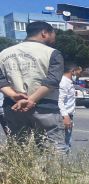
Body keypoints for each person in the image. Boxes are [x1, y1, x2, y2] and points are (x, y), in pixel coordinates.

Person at [0, 21, 65, 151]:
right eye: (53, 34)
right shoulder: (52, 53)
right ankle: (51, 172)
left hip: (13, 107)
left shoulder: (3, 53)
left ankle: (20, 172)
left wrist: (14, 96)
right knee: (53, 149)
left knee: (19, 147)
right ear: (44, 33)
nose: (54, 38)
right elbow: (52, 81)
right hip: (44, 107)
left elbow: (1, 80)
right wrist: (31, 100)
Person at [58, 62, 81, 150]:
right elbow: (60, 101)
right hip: (64, 117)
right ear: (73, 71)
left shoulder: (69, 83)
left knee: (67, 143)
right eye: (77, 73)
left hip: (68, 116)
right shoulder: (64, 82)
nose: (77, 76)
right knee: (64, 145)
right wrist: (65, 116)